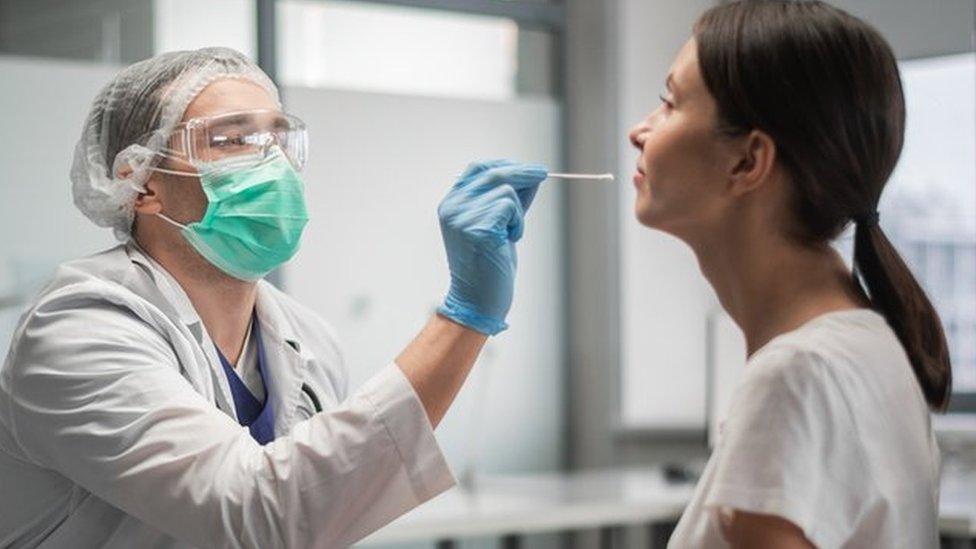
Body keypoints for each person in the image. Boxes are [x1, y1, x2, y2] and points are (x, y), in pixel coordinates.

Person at [0, 47, 547, 548]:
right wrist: (465, 318)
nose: (273, 164)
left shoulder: (307, 340)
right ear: (140, 182)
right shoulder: (77, 329)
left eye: (279, 139)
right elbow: (259, 513)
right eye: (232, 140)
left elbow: (320, 515)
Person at [627, 1, 949, 547]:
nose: (641, 130)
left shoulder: (795, 377)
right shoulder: (866, 343)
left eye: (670, 103)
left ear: (748, 163)